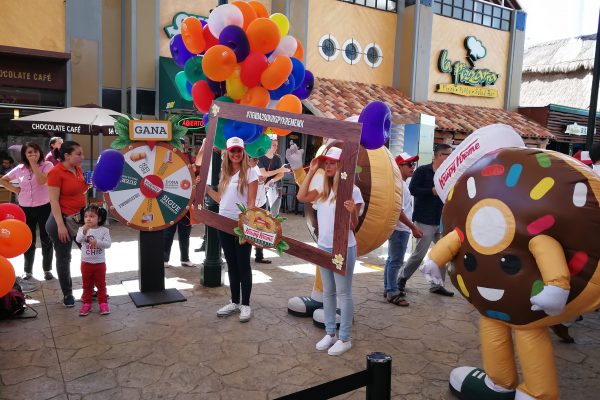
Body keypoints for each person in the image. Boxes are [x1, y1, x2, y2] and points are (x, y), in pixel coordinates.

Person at [296, 146, 364, 356]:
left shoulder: (352, 189)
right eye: (326, 162)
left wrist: (353, 212)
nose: (328, 166)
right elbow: (301, 196)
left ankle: (345, 338)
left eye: (332, 163)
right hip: (324, 246)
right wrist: (312, 168)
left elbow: (355, 223)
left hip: (344, 247)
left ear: (342, 165)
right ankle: (330, 333)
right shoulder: (322, 191)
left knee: (344, 293)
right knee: (328, 291)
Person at [202, 137, 258, 322]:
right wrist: (207, 190)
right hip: (223, 223)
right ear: (227, 153)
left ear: (243, 152)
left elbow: (251, 202)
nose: (236, 154)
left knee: (243, 265)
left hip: (240, 225)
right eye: (233, 151)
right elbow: (221, 200)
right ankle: (234, 302)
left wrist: (247, 227)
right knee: (232, 264)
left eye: (239, 151)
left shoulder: (251, 172)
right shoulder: (224, 173)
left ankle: (246, 304)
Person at [398, 143, 454, 297]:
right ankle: (402, 278)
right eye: (449, 154)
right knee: (420, 254)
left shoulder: (448, 174)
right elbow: (413, 189)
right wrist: (431, 191)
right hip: (424, 220)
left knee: (443, 253)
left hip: (441, 221)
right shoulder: (423, 171)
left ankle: (436, 285)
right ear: (440, 156)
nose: (452, 157)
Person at [0, 143, 54, 281]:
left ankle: (47, 270)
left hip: (44, 206)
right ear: (24, 154)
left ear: (40, 153)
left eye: (35, 152)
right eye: (29, 152)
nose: (33, 154)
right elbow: (3, 180)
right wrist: (16, 190)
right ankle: (27, 271)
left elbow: (42, 181)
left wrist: (34, 164)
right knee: (28, 240)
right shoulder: (19, 168)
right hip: (25, 208)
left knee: (46, 239)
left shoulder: (47, 165)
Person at [46, 141, 89, 307]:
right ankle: (67, 294)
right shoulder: (56, 172)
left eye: (82, 153)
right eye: (78, 154)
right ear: (66, 155)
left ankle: (90, 288)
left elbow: (81, 190)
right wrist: (60, 225)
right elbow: (53, 201)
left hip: (78, 219)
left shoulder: (77, 169)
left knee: (89, 252)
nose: (82, 157)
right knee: (64, 258)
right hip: (61, 221)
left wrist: (91, 182)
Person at [383, 153, 423, 306]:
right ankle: (393, 292)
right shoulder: (400, 185)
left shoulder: (401, 184)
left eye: (413, 164)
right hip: (400, 228)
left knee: (391, 260)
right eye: (409, 164)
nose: (412, 167)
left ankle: (388, 289)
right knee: (395, 261)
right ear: (398, 167)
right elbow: (398, 211)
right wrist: (412, 227)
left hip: (398, 228)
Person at [75, 204, 111, 316]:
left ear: (99, 218)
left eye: (92, 216)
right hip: (86, 263)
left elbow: (108, 244)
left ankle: (103, 304)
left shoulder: (104, 230)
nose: (88, 218)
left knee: (101, 285)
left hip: (99, 263)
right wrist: (85, 230)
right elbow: (79, 239)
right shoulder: (82, 229)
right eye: (86, 216)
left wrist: (97, 242)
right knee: (87, 285)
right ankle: (87, 304)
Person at [258, 134, 284, 219]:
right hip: (262, 187)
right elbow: (264, 173)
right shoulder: (260, 157)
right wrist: (279, 170)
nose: (276, 147)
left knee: (274, 213)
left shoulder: (278, 158)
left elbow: (281, 174)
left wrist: (272, 180)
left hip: (275, 187)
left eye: (277, 145)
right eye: (274, 145)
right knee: (262, 211)